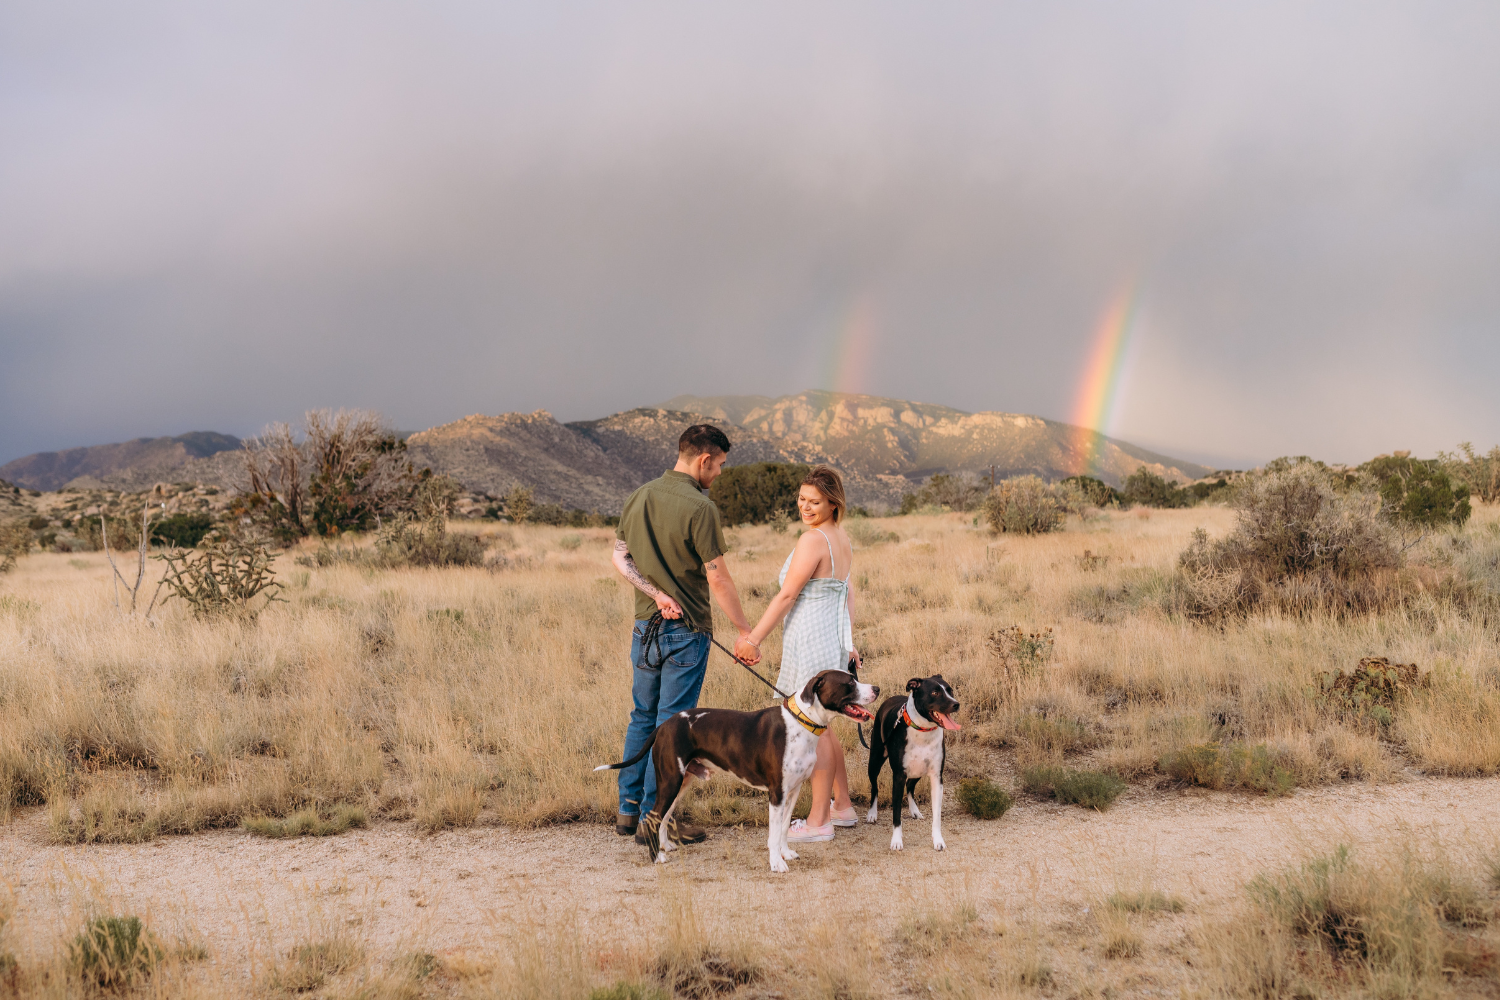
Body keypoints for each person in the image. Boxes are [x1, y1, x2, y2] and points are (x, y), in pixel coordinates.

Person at [611, 424, 759, 846]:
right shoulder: (700, 508)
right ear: (704, 460)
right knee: (672, 726)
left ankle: (628, 810)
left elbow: (620, 559)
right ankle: (657, 821)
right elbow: (718, 579)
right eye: (720, 466)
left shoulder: (639, 495)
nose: (719, 475)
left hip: (644, 629)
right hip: (686, 634)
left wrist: (655, 595)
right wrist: (745, 630)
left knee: (641, 717)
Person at [733, 465, 860, 844]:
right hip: (831, 638)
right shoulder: (841, 537)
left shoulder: (813, 540)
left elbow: (787, 596)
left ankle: (818, 821)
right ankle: (844, 806)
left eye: (815, 501)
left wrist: (753, 639)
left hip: (809, 637)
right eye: (802, 499)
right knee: (826, 725)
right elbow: (847, 593)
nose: (805, 507)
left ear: (833, 503)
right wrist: (848, 642)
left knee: (815, 730)